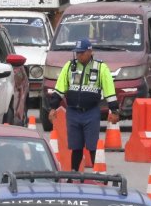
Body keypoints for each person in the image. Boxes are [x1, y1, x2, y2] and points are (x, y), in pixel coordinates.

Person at [49, 38, 119, 172]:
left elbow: (109, 90)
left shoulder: (100, 68)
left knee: (93, 146)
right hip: (73, 112)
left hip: (91, 112)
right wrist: (53, 107)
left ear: (90, 51)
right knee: (76, 147)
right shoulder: (69, 67)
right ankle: (74, 175)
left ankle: (99, 174)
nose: (78, 56)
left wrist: (114, 111)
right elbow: (59, 89)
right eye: (77, 53)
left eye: (81, 53)